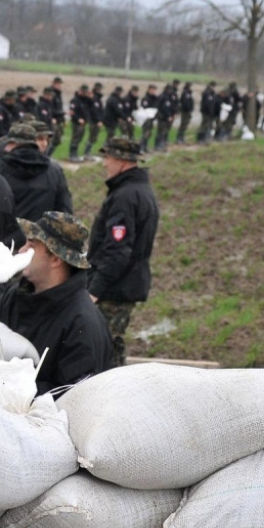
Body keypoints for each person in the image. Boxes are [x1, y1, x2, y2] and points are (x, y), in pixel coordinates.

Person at [0, 212, 114, 395]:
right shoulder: (14, 296)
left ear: (56, 259)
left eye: (31, 245)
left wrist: (12, 389)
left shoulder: (82, 324)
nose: (21, 250)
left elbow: (74, 396)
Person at [87, 137, 159, 368]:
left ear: (123, 161)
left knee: (103, 348)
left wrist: (94, 290)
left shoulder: (125, 197)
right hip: (122, 284)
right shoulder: (138, 191)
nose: (104, 163)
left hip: (114, 289)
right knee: (111, 346)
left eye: (108, 157)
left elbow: (117, 251)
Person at [0, 122, 74, 222]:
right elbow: (65, 211)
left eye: (46, 139)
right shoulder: (54, 171)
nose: (45, 143)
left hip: (8, 235)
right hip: (42, 235)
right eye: (40, 139)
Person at [67, 83, 92, 162]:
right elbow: (72, 112)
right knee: (75, 138)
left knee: (80, 138)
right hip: (77, 123)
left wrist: (90, 97)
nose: (85, 93)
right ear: (80, 91)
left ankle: (76, 154)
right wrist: (78, 119)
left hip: (83, 123)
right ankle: (72, 155)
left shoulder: (85, 100)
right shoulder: (75, 100)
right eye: (84, 92)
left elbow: (92, 105)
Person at [153, 84, 177, 152]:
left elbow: (171, 106)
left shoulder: (169, 97)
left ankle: (162, 144)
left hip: (166, 117)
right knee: (160, 131)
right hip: (162, 117)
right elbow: (164, 108)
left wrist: (173, 114)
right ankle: (157, 145)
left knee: (164, 131)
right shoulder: (163, 97)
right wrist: (168, 116)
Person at [138, 84, 159, 153]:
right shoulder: (146, 98)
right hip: (146, 118)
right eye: (152, 90)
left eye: (154, 90)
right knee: (145, 133)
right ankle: (141, 147)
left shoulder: (155, 98)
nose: (153, 91)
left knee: (149, 133)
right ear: (149, 90)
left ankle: (145, 147)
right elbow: (144, 108)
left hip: (151, 119)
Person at [49, 76, 66, 149]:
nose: (59, 85)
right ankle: (47, 156)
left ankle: (49, 155)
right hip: (53, 120)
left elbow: (60, 107)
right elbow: (50, 108)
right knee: (51, 140)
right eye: (57, 84)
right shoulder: (51, 94)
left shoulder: (58, 94)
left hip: (59, 120)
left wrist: (63, 119)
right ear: (53, 84)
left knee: (57, 140)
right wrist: (62, 113)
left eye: (60, 84)